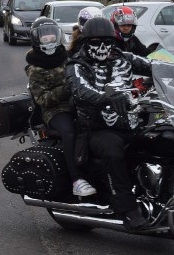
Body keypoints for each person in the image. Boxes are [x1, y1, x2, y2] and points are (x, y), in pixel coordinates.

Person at [65, 16, 153, 230]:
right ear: (86, 41)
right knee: (112, 150)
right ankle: (127, 209)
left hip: (131, 123)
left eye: (107, 41)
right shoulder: (77, 64)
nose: (103, 46)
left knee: (165, 139)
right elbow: (80, 89)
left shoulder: (123, 56)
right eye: (96, 41)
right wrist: (107, 98)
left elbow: (154, 66)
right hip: (96, 129)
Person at [25, 17, 96, 197]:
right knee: (69, 131)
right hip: (54, 111)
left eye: (51, 37)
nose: (49, 40)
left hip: (77, 103)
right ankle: (76, 180)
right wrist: (67, 88)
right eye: (45, 38)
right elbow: (42, 99)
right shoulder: (35, 68)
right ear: (37, 39)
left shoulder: (66, 57)